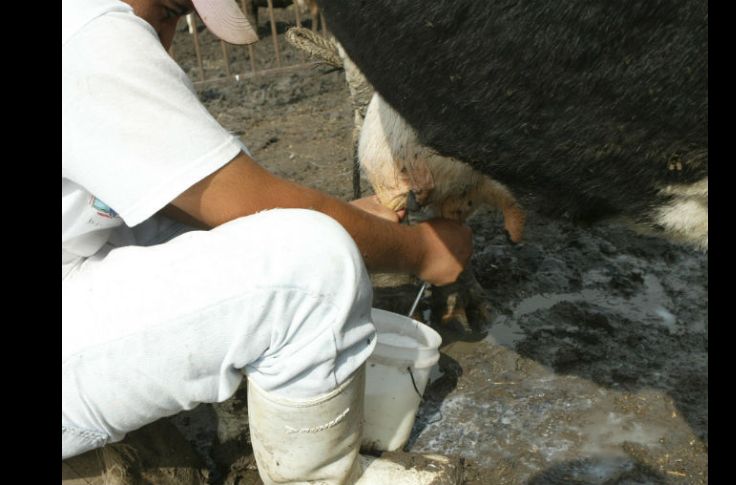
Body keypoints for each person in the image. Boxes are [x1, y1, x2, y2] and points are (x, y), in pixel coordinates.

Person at [62, 0, 472, 483]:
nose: (167, 41)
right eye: (170, 10)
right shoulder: (87, 30)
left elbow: (206, 202)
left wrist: (348, 218)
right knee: (312, 268)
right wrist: (422, 253)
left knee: (226, 227)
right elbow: (250, 204)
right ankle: (322, 477)